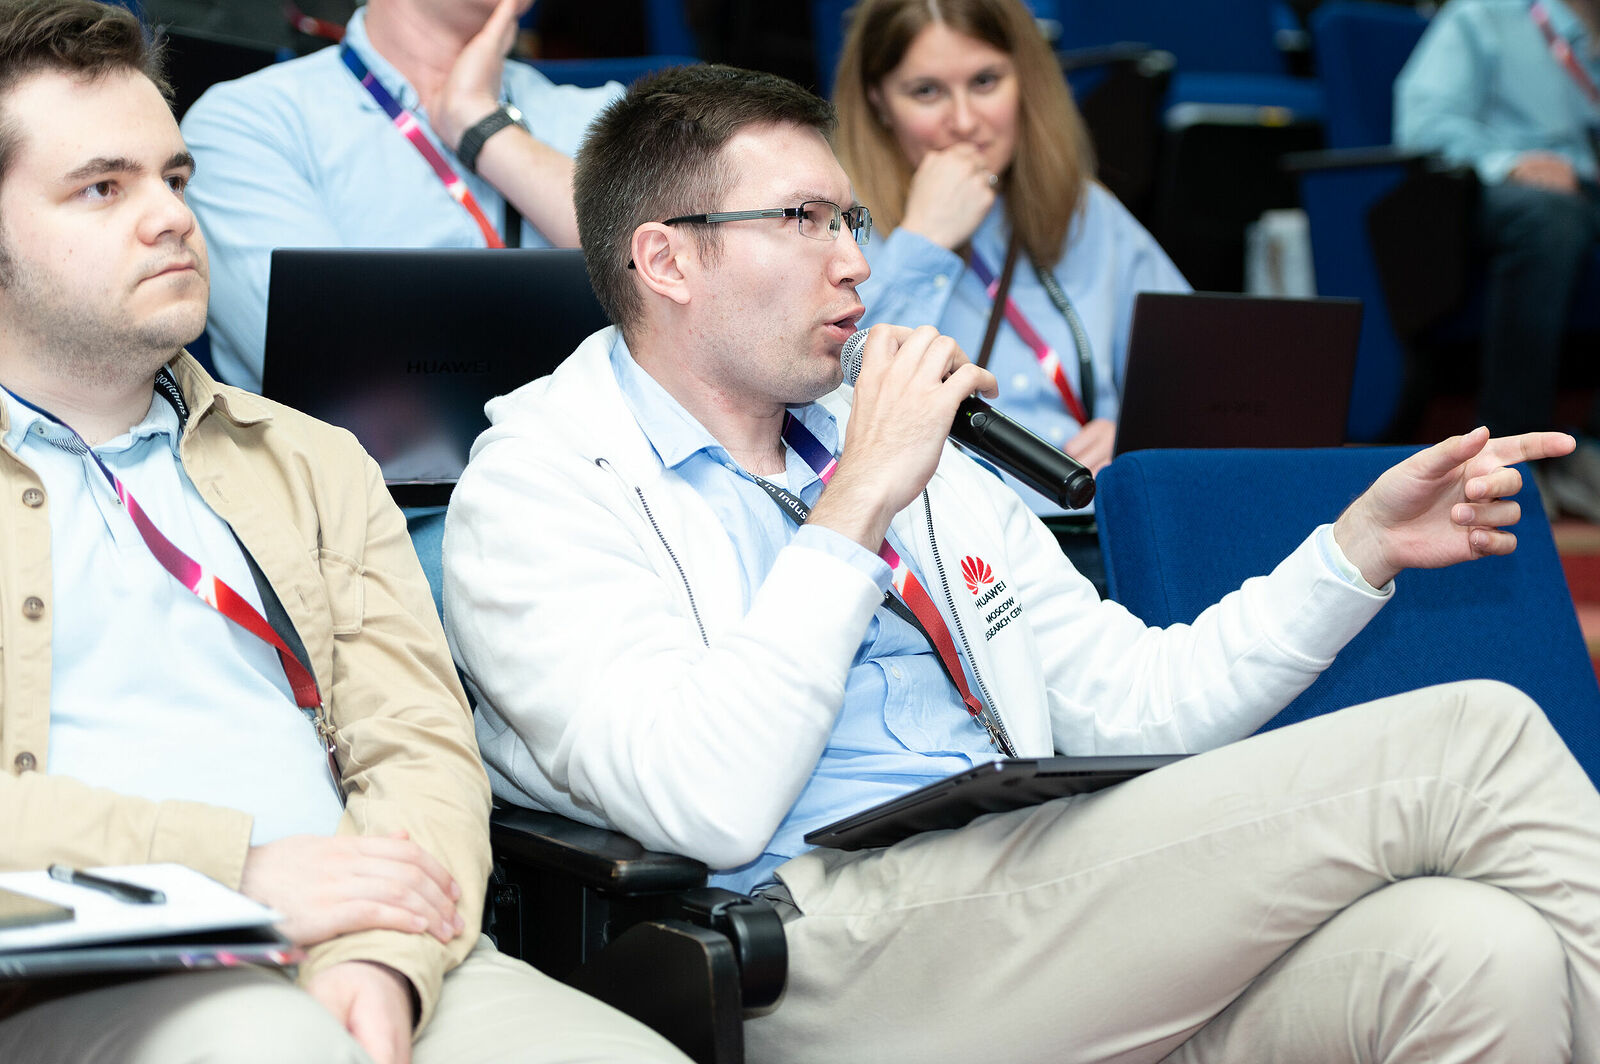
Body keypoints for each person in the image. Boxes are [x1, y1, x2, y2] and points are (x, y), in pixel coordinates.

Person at [445, 62, 1600, 1063]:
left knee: (1476, 953)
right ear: (665, 259)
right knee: (1474, 738)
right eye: (803, 219)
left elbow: (1138, 699)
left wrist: (1354, 552)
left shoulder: (883, 441)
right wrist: (858, 498)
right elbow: (704, 800)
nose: (854, 263)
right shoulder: (542, 482)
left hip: (1025, 890)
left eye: (850, 219)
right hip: (811, 940)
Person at [0, 3, 689, 1062]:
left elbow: (421, 748)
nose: (172, 217)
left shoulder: (314, 459)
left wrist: (381, 955)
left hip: (379, 938)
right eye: (103, 187)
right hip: (87, 959)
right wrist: (233, 871)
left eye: (175, 178)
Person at [831, 0, 1187, 516]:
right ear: (878, 103)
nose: (964, 121)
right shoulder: (836, 227)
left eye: (985, 82)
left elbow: (1196, 381)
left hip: (1094, 524)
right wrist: (925, 240)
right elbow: (834, 401)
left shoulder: (1086, 211)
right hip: (945, 539)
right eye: (926, 91)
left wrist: (1142, 437)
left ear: (1024, 84)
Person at [180, 0, 618, 392]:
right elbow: (341, 380)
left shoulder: (608, 115)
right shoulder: (248, 124)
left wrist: (483, 126)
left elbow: (658, 284)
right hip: (373, 462)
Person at [1396, 0, 1600, 521]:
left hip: (1585, 190)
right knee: (1549, 217)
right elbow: (1425, 122)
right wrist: (1511, 164)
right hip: (1495, 187)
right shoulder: (1485, 14)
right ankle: (1510, 449)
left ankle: (1588, 447)